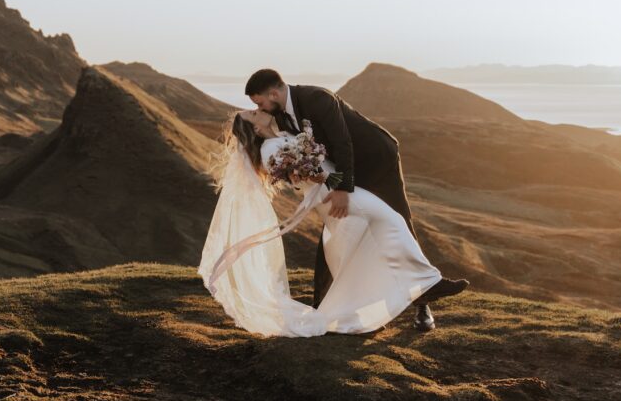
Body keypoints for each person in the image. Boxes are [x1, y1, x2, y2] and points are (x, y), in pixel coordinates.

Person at [197, 103, 468, 337]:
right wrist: (330, 177)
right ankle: (429, 283)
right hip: (335, 197)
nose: (259, 112)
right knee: (390, 220)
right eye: (254, 114)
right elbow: (306, 176)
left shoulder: (279, 136)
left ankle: (359, 318)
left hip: (335, 196)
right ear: (255, 129)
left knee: (358, 256)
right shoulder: (270, 149)